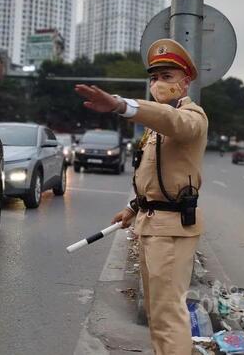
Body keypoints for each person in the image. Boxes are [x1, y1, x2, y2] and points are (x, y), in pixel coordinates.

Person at [76, 38, 207, 355]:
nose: (158, 83)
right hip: (152, 224)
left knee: (167, 315)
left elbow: (173, 121)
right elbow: (153, 176)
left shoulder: (192, 117)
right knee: (156, 313)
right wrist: (132, 208)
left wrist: (122, 105)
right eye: (154, 77)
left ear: (186, 81)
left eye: (167, 76)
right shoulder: (155, 127)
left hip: (172, 228)